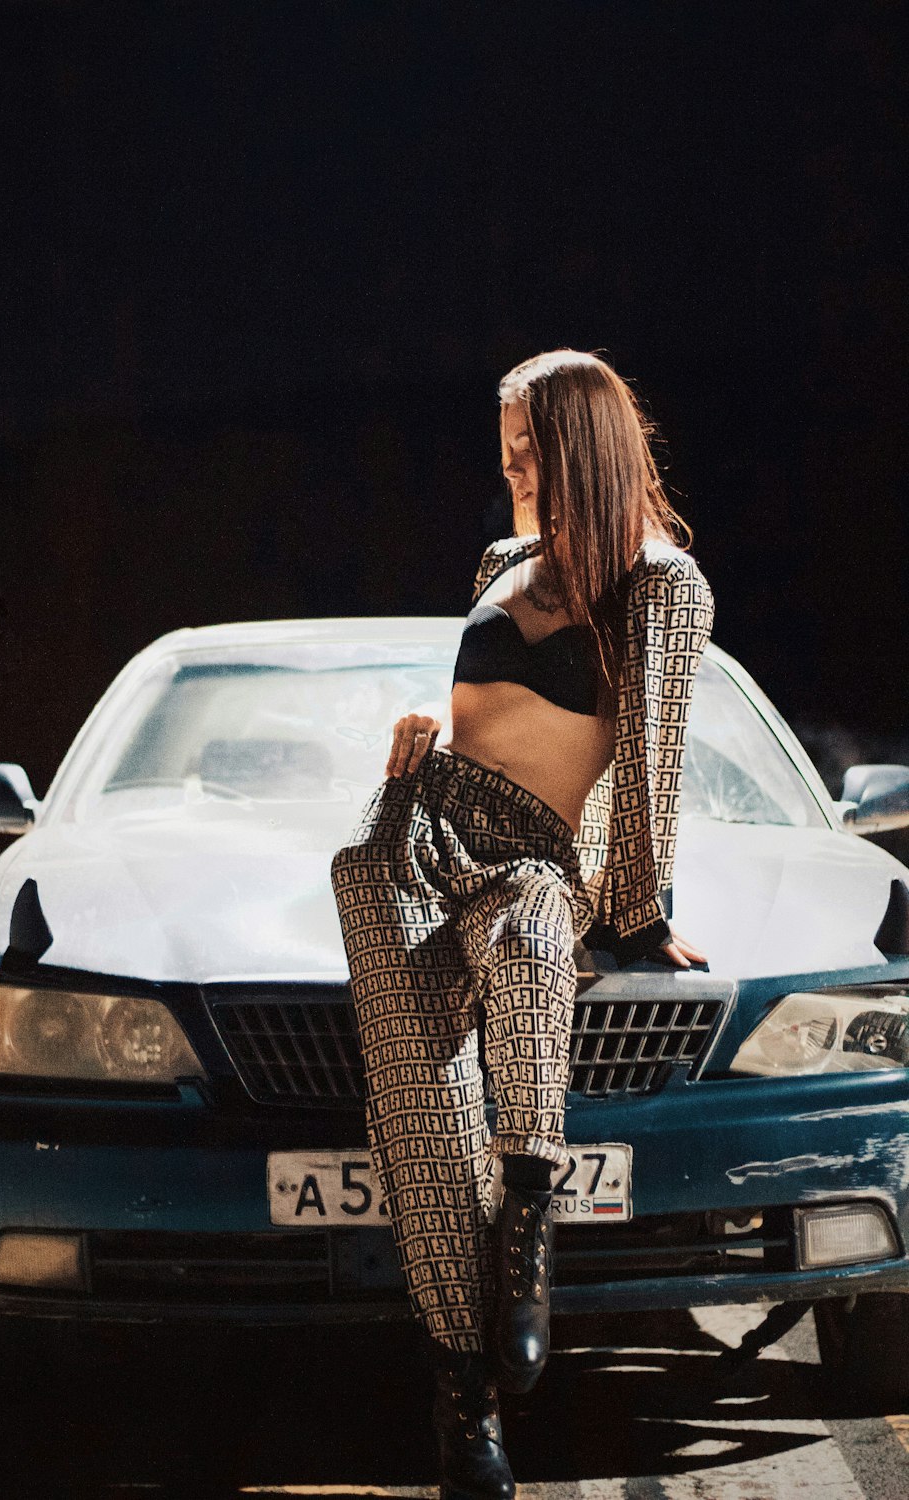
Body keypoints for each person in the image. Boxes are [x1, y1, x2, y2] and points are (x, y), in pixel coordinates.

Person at [330, 348, 715, 1500]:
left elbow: (648, 761)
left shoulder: (660, 586)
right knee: (411, 1089)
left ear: (584, 446)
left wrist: (640, 918)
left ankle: (531, 1211)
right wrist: (411, 763)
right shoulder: (502, 560)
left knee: (545, 927)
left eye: (528, 447)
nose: (510, 468)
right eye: (503, 447)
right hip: (417, 828)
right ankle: (465, 1394)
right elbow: (478, 724)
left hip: (533, 856)